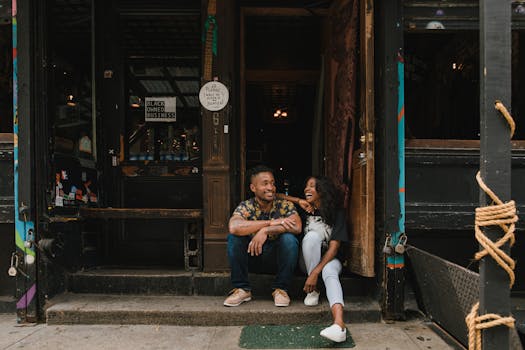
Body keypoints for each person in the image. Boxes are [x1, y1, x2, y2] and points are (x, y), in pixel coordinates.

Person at [277, 176, 349, 343]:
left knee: (330, 271)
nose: (306, 189)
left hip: (330, 261)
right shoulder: (304, 210)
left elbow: (334, 247)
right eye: (306, 186)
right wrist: (299, 200)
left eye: (312, 187)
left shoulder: (337, 213)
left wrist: (316, 272)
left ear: (321, 191)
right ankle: (313, 290)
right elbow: (276, 196)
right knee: (311, 238)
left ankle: (339, 325)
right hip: (307, 262)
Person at [224, 165, 302, 307]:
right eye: (265, 183)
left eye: (272, 183)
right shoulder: (246, 206)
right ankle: (242, 289)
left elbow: (297, 226)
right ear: (253, 188)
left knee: (289, 239)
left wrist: (265, 231)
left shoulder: (284, 205)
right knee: (233, 238)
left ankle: (281, 289)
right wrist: (271, 222)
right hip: (252, 255)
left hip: (276, 257)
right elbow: (234, 227)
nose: (271, 187)